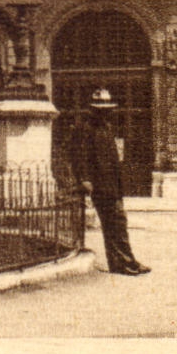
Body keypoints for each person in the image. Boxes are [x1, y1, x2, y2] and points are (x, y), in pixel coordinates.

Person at [73, 89, 149, 276]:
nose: (105, 111)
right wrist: (84, 179)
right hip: (100, 185)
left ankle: (126, 261)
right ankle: (123, 263)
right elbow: (79, 156)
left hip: (113, 185)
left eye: (107, 108)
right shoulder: (85, 129)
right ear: (94, 109)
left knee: (118, 224)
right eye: (101, 108)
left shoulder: (106, 128)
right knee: (113, 224)